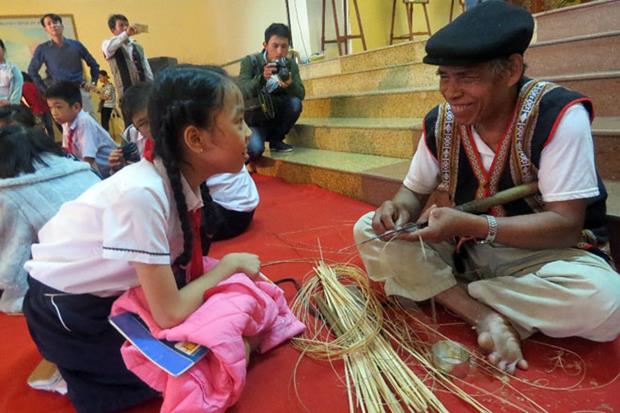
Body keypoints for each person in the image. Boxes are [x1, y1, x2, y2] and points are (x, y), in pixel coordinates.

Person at [354, 1, 620, 374]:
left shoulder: (557, 115)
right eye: (444, 77)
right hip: (468, 252)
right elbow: (412, 193)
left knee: (607, 303)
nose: (451, 91)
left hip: (547, 255)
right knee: (367, 229)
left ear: (511, 69)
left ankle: (444, 292)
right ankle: (486, 316)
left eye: (465, 77)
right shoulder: (441, 122)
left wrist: (474, 226)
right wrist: (396, 210)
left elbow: (565, 224)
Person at [22, 65, 274, 413]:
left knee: (249, 303)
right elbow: (169, 313)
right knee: (200, 368)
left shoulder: (176, 180)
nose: (248, 133)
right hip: (69, 311)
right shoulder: (142, 193)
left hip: (115, 293)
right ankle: (70, 365)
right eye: (238, 121)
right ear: (195, 140)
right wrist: (229, 266)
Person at [110, 81, 259, 240]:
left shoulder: (183, 133)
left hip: (230, 210)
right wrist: (120, 166)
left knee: (143, 221)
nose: (154, 126)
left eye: (154, 116)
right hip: (215, 203)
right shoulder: (133, 136)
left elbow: (166, 186)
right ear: (135, 125)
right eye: (144, 123)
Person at [0, 125, 99, 313]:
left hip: (67, 289)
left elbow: (10, 264)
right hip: (117, 269)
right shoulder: (80, 170)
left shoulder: (11, 192)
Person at [238, 23, 304, 159]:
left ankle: (276, 140)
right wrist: (261, 78)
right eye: (275, 46)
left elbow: (301, 94)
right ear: (265, 45)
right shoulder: (250, 62)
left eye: (284, 46)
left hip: (276, 115)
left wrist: (290, 85)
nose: (279, 51)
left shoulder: (290, 64)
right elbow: (242, 91)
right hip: (256, 118)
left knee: (295, 103)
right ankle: (258, 138)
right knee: (255, 151)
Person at [28, 13, 100, 116]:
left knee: (89, 122)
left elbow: (94, 64)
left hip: (80, 90)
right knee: (68, 126)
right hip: (59, 93)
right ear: (45, 29)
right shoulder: (43, 49)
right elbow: (32, 70)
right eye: (49, 24)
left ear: (61, 25)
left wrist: (93, 83)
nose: (53, 25)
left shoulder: (76, 45)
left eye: (55, 22)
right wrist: (46, 91)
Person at [45, 80, 117, 178]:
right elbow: (69, 153)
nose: (54, 112)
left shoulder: (84, 122)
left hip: (112, 173)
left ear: (76, 107)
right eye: (50, 108)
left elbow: (89, 160)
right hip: (93, 170)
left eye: (58, 107)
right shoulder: (66, 123)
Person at [102, 14, 153, 102]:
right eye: (121, 25)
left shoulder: (137, 46)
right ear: (113, 30)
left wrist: (153, 86)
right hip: (126, 92)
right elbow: (109, 48)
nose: (125, 27)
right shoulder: (107, 44)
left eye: (127, 25)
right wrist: (126, 34)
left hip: (144, 91)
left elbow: (146, 69)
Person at [21, 72, 55, 137]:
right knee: (49, 127)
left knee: (40, 130)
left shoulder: (22, 87)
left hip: (36, 110)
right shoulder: (35, 84)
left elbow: (24, 101)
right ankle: (52, 142)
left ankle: (44, 144)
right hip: (45, 108)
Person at [0, 39, 23, 107]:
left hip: (8, 106)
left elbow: (18, 87)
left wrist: (11, 102)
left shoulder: (12, 69)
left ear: (3, 49)